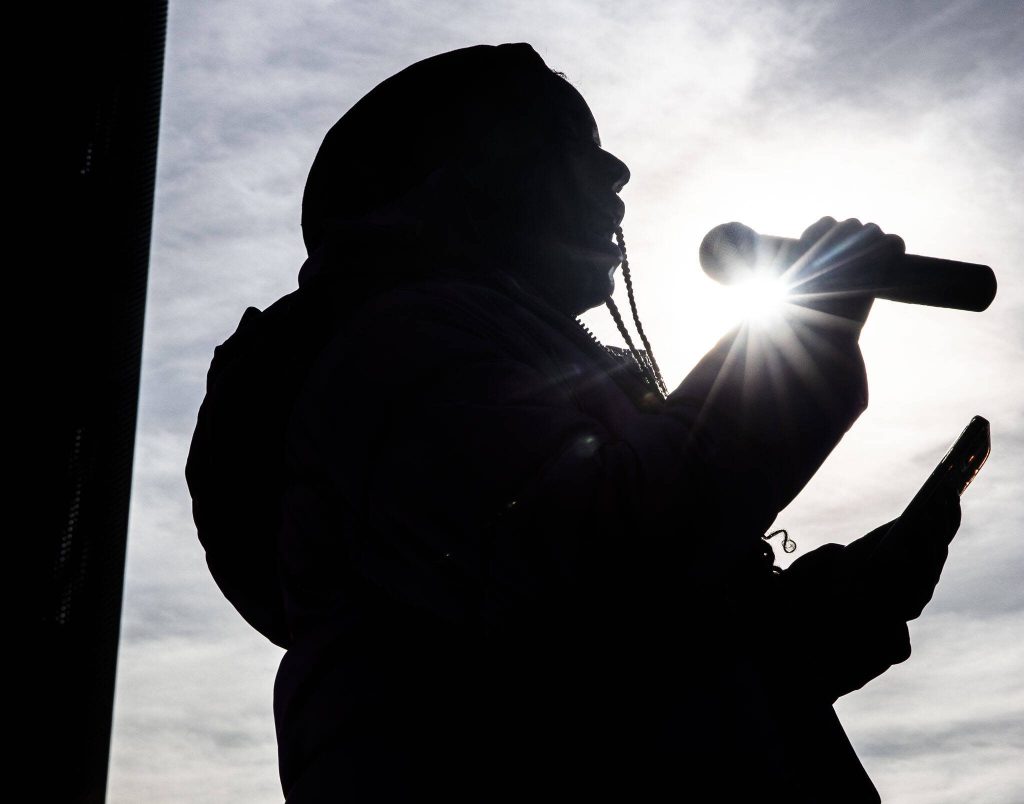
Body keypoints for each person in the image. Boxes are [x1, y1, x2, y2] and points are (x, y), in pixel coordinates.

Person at [186, 43, 961, 802]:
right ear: (473, 173)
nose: (614, 172)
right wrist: (800, 341)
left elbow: (668, 663)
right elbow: (594, 570)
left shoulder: (499, 357)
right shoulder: (392, 356)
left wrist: (854, 599)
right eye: (567, 141)